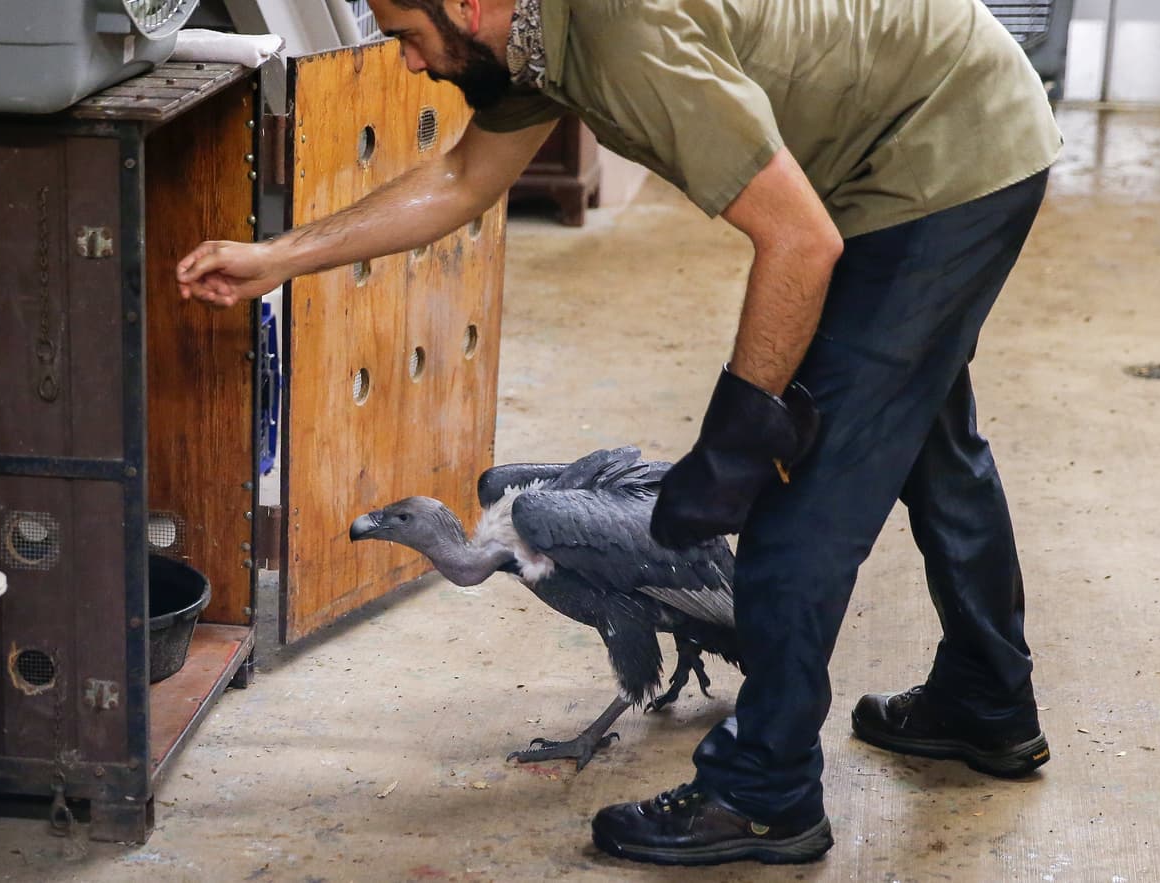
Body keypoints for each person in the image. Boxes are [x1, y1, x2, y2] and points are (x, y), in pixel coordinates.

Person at [177, 0, 1061, 867]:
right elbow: (463, 180)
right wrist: (276, 259)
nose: (406, 61)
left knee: (804, 493)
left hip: (945, 147)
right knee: (932, 448)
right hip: (921, 123)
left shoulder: (621, 30)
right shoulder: (529, 39)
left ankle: (763, 793)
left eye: (407, 35)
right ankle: (986, 697)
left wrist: (738, 438)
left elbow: (798, 242)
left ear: (466, 6)